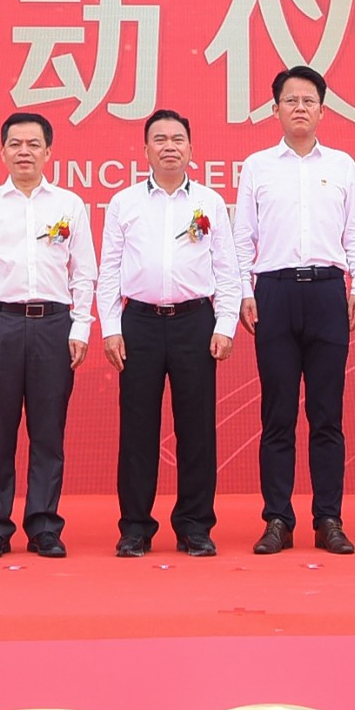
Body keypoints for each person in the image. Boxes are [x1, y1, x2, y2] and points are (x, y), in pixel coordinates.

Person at [233, 65, 355, 556]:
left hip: (327, 293)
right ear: (275, 109)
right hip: (273, 293)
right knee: (277, 415)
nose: (299, 108)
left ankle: (328, 518)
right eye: (290, 100)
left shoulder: (341, 165)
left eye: (308, 100)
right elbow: (242, 237)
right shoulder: (257, 166)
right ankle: (277, 519)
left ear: (321, 110)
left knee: (326, 415)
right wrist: (245, 292)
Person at [99, 109, 244, 558]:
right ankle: (135, 528)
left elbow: (228, 270)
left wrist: (225, 324)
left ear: (191, 148)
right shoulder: (124, 202)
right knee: (137, 429)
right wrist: (110, 328)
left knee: (196, 429)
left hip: (194, 322)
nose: (169, 147)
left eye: (177, 139)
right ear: (145, 149)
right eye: (159, 139)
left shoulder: (210, 202)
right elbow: (109, 271)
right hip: (139, 323)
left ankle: (195, 526)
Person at [0, 111, 97, 559]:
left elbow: (84, 271)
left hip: (53, 324)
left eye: (33, 144)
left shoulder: (69, 204)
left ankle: (44, 525)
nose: (24, 152)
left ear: (48, 152)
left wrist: (81, 326)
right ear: (2, 152)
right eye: (15, 144)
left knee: (48, 430)